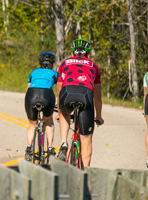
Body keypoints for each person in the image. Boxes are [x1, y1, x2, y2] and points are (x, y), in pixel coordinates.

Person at [56, 39, 104, 168]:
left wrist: (60, 113)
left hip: (67, 93)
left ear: (72, 54)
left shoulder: (64, 63)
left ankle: (63, 143)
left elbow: (59, 91)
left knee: (65, 112)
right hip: (85, 95)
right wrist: (98, 116)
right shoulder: (94, 66)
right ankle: (85, 172)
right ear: (88, 55)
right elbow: (97, 96)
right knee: (86, 138)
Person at [25, 52, 58, 156]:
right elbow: (59, 90)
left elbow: (27, 90)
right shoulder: (54, 73)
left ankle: (29, 148)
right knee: (48, 120)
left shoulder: (33, 72)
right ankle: (50, 147)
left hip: (32, 95)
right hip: (47, 95)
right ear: (52, 63)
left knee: (32, 123)